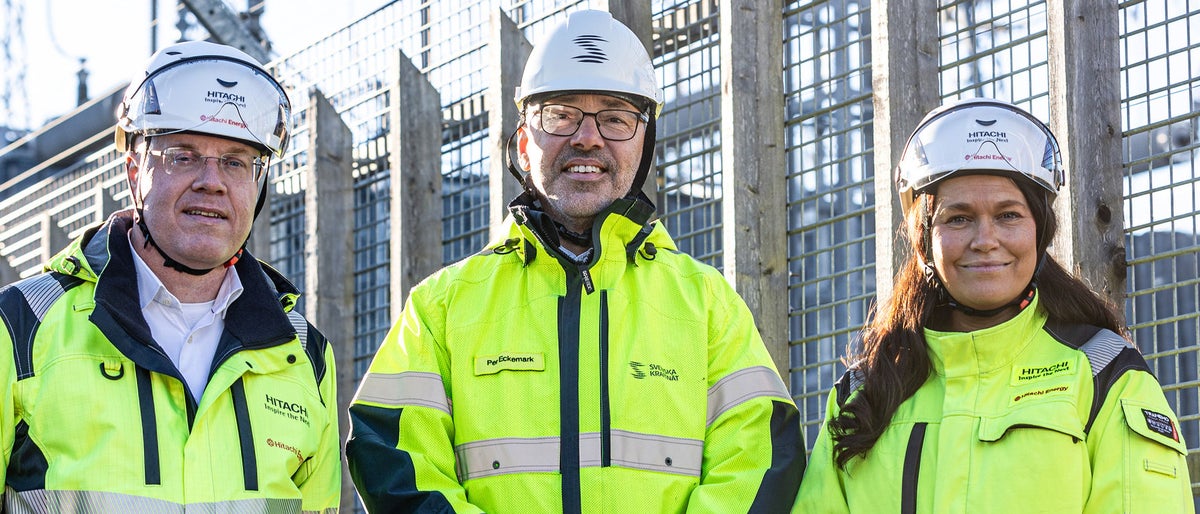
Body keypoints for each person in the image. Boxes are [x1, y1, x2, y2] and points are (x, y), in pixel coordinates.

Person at [346, 9, 804, 513]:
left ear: (643, 144)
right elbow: (395, 460)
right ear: (524, 142)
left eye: (615, 118)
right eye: (561, 115)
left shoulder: (709, 306)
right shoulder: (440, 309)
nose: (588, 137)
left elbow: (759, 462)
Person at [793, 98, 1193, 512]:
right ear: (925, 240)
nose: (985, 241)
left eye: (1008, 215)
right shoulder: (864, 392)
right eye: (958, 218)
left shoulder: (1104, 374)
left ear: (1040, 231)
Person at [0, 41, 341, 512]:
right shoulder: (20, 328)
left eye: (235, 162)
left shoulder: (304, 354)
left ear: (258, 184)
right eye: (183, 155)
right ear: (134, 171)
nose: (211, 182)